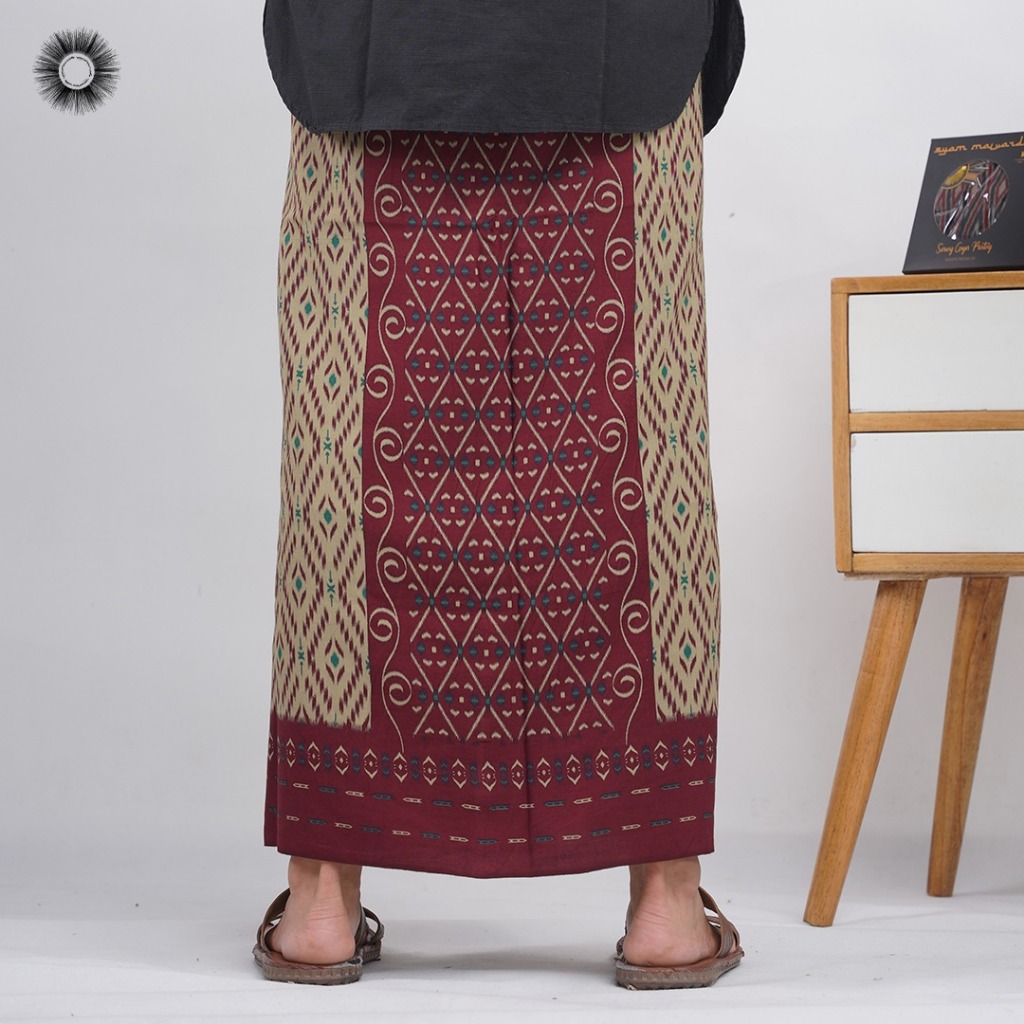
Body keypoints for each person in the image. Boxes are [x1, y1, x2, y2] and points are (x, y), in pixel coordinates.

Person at [253, 0, 745, 989]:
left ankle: (319, 902)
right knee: (637, 447)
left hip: (376, 56)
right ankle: (665, 901)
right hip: (618, 56)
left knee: (351, 449)